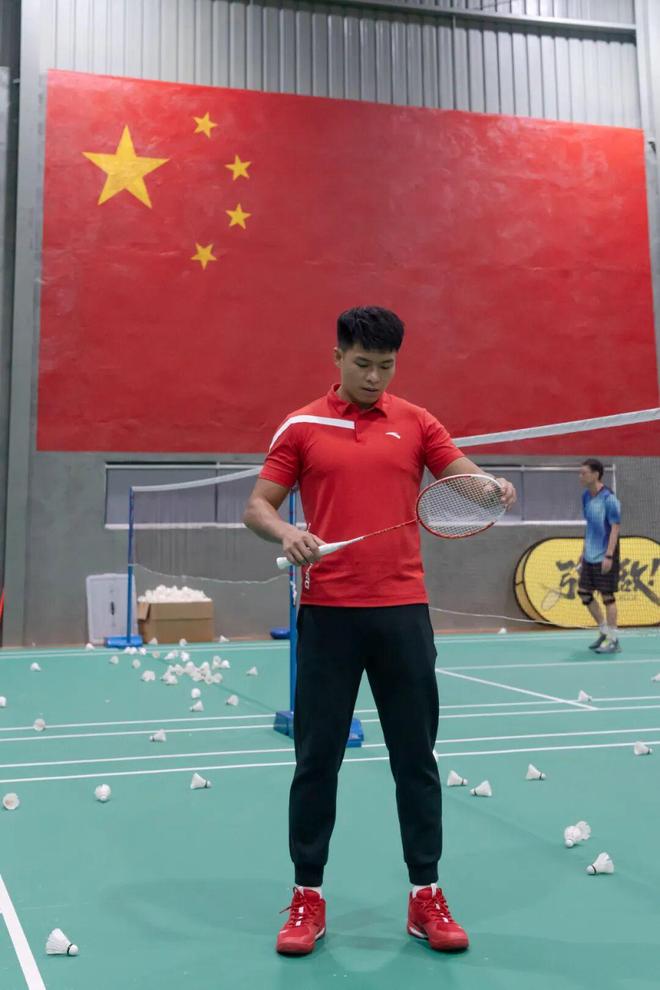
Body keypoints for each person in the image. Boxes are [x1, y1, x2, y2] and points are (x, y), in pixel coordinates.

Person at [243, 306, 516, 957]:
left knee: (415, 760)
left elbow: (467, 480)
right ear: (337, 356)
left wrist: (494, 490)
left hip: (402, 614)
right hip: (329, 617)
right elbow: (257, 506)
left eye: (385, 366)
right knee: (316, 762)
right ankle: (307, 895)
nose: (373, 377)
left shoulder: (418, 422)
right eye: (362, 363)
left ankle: (426, 895)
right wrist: (286, 533)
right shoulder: (302, 426)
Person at [577, 458, 622, 654]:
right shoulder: (586, 496)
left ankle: (613, 640)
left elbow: (615, 528)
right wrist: (583, 552)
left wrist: (609, 556)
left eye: (584, 473)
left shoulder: (609, 498)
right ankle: (604, 631)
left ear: (596, 474)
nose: (580, 476)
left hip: (606, 555)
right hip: (590, 555)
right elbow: (590, 527)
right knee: (584, 593)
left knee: (608, 597)